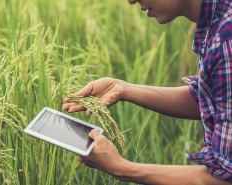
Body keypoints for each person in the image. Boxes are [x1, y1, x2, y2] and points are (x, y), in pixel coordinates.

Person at [62, 0, 232, 184]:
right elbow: (214, 99)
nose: (131, 1)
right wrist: (122, 88)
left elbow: (224, 179)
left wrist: (119, 167)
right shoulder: (218, 20)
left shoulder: (226, 40)